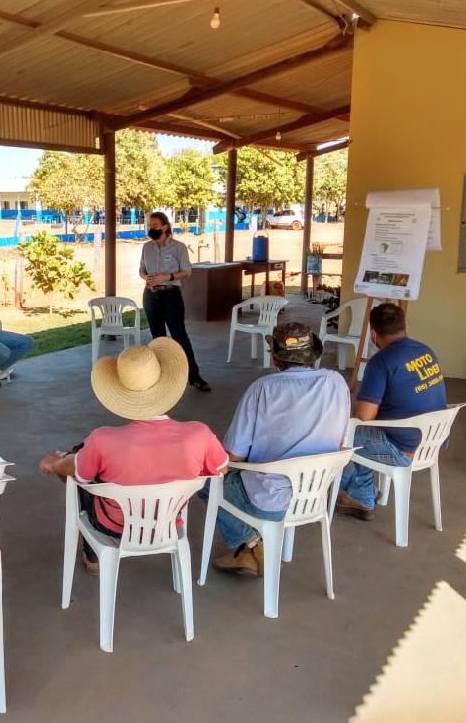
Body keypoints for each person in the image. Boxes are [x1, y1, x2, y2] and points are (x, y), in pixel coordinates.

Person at [38, 338, 227, 573]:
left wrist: (55, 463)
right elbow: (221, 470)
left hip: (113, 526)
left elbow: (79, 475)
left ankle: (93, 557)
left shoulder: (103, 439)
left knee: (79, 471)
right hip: (167, 523)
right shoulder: (200, 434)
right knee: (82, 461)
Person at [204, 323, 350, 576]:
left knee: (207, 481)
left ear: (275, 357)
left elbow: (233, 456)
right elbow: (339, 440)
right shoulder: (336, 382)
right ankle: (254, 546)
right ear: (313, 355)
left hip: (269, 499)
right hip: (314, 492)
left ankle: (251, 546)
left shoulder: (262, 389)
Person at [336, 303, 447, 521]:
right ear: (405, 326)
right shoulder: (425, 350)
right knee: (360, 432)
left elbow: (365, 416)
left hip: (402, 449)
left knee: (344, 433)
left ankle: (360, 495)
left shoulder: (381, 361)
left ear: (373, 334)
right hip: (432, 442)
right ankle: (355, 488)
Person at [139, 211, 211, 392]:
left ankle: (194, 376)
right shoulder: (146, 247)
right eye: (149, 225)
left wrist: (167, 277)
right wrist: (146, 277)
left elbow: (187, 271)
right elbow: (141, 269)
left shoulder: (179, 247)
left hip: (171, 295)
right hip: (150, 296)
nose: (151, 228)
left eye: (155, 226)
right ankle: (162, 376)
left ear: (165, 227)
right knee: (158, 338)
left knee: (179, 336)